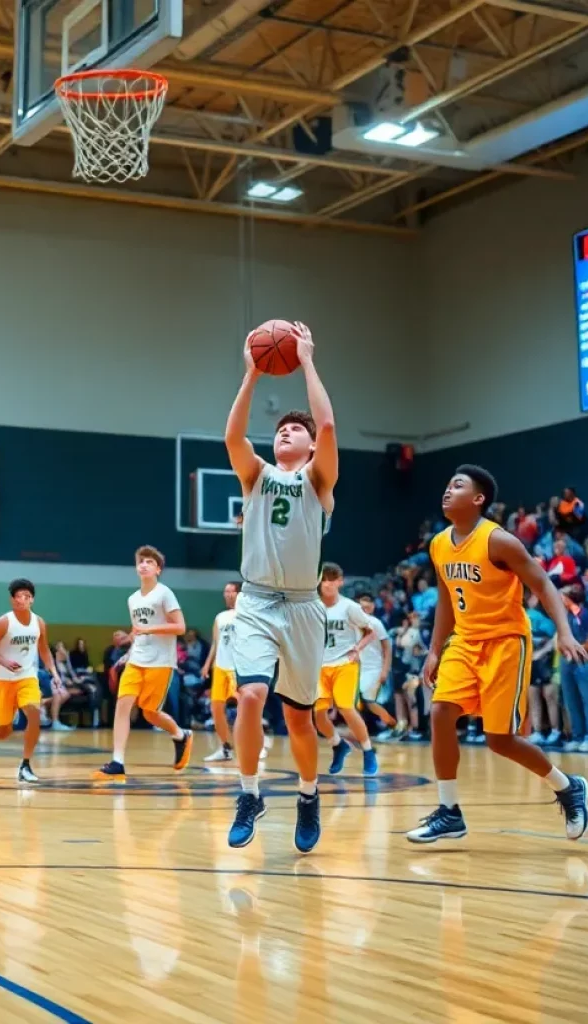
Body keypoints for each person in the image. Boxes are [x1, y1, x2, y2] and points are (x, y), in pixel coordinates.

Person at [406, 465, 588, 844]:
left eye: (457, 485)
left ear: (478, 499)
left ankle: (567, 786)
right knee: (440, 711)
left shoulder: (499, 540)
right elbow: (446, 599)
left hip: (506, 641)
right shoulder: (438, 544)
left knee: (500, 740)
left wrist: (564, 631)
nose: (447, 490)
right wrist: (435, 650)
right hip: (465, 640)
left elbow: (543, 584)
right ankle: (449, 811)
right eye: (447, 484)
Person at [225, 321, 336, 854]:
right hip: (255, 602)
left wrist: (307, 359)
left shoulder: (317, 480)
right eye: (282, 430)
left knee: (298, 718)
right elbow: (233, 437)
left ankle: (308, 795)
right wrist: (251, 373)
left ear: (311, 446)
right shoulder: (257, 475)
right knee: (249, 695)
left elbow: (328, 424)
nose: (286, 433)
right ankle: (250, 794)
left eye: (296, 430)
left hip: (303, 609)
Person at [92, 546, 193, 780]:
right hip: (137, 660)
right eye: (141, 562)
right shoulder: (133, 599)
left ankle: (181, 735)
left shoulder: (164, 593)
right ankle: (117, 761)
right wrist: (128, 649)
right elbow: (139, 630)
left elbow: (180, 627)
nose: (144, 565)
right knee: (122, 706)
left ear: (158, 569)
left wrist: (150, 629)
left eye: (150, 562)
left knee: (150, 713)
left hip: (160, 662)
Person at [0, 579, 61, 782]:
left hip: (27, 677)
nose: (21, 600)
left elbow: (44, 649)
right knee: (3, 730)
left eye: (26, 596)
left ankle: (25, 765)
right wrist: (4, 661)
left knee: (34, 713)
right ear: (12, 600)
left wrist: (54, 671)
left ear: (32, 599)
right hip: (2, 679)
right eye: (17, 596)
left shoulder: (39, 623)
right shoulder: (4, 622)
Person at [314, 565, 377, 775]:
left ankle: (368, 750)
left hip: (345, 664)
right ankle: (338, 744)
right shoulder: (314, 607)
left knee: (345, 707)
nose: (327, 584)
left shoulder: (349, 607)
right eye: (324, 579)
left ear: (340, 582)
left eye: (332, 579)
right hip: (320, 666)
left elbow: (371, 632)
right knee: (318, 714)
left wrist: (357, 648)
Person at [202, 581, 241, 763]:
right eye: (225, 591)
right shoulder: (220, 617)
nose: (227, 594)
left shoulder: (247, 616)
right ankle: (225, 748)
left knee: (246, 709)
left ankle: (258, 744)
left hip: (238, 668)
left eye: (231, 591)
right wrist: (207, 664)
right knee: (216, 708)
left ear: (240, 594)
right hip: (220, 667)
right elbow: (216, 643)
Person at [558, 586, 588, 753]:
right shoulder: (564, 617)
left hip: (582, 662)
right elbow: (559, 640)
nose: (561, 599)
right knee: (571, 701)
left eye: (563, 596)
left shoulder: (587, 616)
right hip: (565, 662)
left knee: (587, 701)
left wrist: (574, 650)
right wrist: (564, 650)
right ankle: (577, 737)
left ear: (572, 598)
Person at [357, 592, 397, 740]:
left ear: (373, 607)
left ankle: (392, 725)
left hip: (375, 668)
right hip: (359, 669)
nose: (364, 609)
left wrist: (385, 670)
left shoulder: (376, 623)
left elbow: (387, 648)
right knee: (358, 701)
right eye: (362, 607)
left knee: (368, 700)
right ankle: (367, 730)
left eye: (367, 606)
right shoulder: (353, 624)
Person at [526, 592, 560, 747]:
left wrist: (541, 652)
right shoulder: (523, 615)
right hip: (531, 662)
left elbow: (552, 641)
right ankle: (537, 731)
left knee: (549, 697)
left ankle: (555, 731)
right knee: (533, 697)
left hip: (546, 662)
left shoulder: (548, 618)